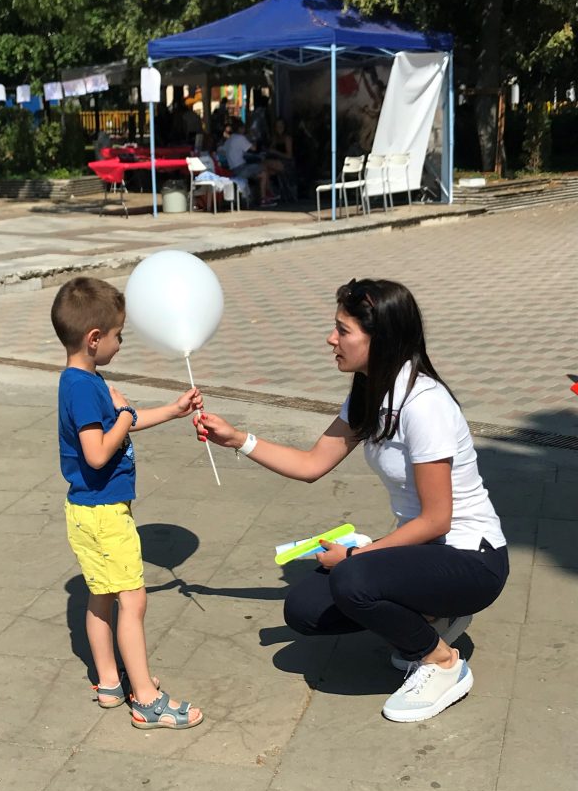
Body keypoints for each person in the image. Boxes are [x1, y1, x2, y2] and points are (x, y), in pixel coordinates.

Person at [195, 278, 509, 724]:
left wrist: (359, 555)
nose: (331, 339)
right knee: (303, 610)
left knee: (351, 580)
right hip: (424, 553)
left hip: (472, 559)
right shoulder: (369, 393)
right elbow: (310, 464)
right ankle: (430, 620)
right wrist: (237, 439)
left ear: (378, 338)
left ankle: (442, 662)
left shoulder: (424, 404)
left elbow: (439, 520)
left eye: (343, 330)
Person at [51, 277, 204, 730]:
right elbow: (99, 451)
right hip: (103, 512)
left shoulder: (83, 379)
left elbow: (123, 424)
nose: (121, 342)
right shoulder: (83, 388)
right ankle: (147, 699)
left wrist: (172, 411)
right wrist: (123, 414)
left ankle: (109, 684)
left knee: (101, 596)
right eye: (119, 334)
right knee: (132, 602)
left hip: (88, 510)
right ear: (95, 339)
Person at [222, 120, 278, 208]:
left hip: (232, 170)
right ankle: (268, 194)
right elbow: (254, 148)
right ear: (240, 129)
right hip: (241, 168)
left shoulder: (229, 140)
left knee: (263, 174)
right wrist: (253, 137)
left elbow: (224, 151)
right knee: (264, 166)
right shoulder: (240, 138)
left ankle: (264, 197)